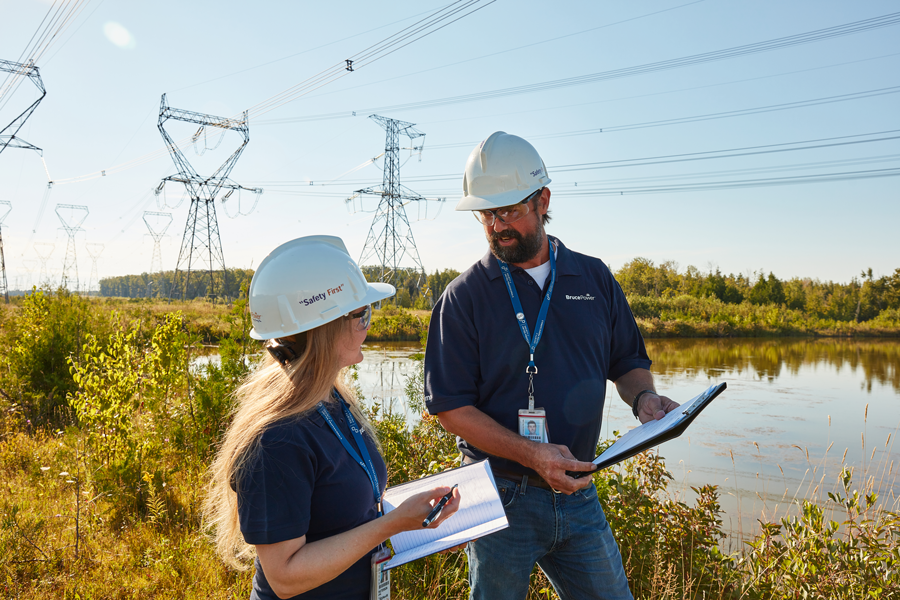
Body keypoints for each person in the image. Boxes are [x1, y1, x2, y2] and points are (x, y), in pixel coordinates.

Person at [423, 132, 679, 600]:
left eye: (510, 211)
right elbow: (450, 408)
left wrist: (643, 398)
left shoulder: (594, 277)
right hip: (498, 494)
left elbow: (627, 361)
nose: (498, 226)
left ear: (543, 200)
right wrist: (531, 453)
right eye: (487, 214)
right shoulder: (463, 298)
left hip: (578, 490)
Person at [206, 235, 460, 600]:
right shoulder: (277, 438)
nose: (368, 327)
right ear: (325, 328)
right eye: (362, 315)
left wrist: (417, 523)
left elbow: (344, 514)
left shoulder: (332, 399)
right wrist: (391, 524)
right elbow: (285, 576)